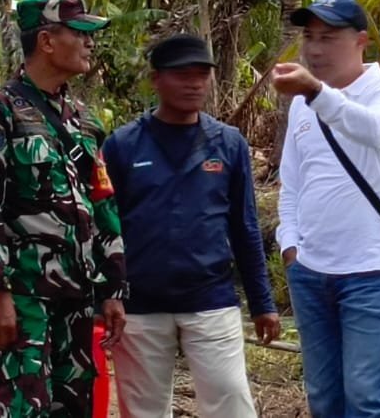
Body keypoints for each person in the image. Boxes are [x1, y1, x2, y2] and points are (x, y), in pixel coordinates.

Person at [0, 0, 128, 418]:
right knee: (23, 406)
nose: (91, 42)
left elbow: (102, 204)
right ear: (47, 41)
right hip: (24, 293)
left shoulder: (84, 120)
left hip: (78, 294)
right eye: (81, 32)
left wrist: (112, 288)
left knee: (76, 406)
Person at [104, 33, 282, 418]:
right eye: (182, 74)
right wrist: (109, 293)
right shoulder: (123, 145)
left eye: (202, 74)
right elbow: (105, 226)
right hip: (140, 306)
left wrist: (262, 303)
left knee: (230, 402)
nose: (194, 83)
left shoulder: (228, 143)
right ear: (156, 80)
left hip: (210, 299)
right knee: (144, 410)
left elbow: (245, 227)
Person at [272, 0, 380, 418]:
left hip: (370, 272)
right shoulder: (302, 104)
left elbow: (376, 130)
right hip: (310, 273)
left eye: (328, 37)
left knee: (366, 400)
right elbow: (292, 182)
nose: (314, 49)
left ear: (361, 41)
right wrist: (290, 245)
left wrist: (316, 91)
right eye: (309, 37)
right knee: (324, 398)